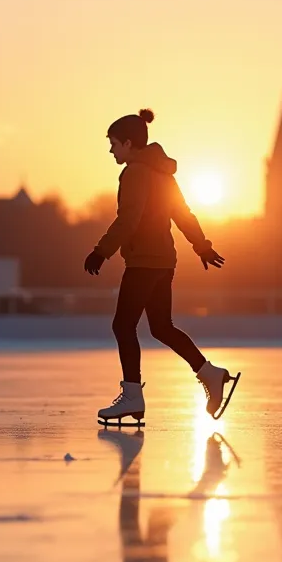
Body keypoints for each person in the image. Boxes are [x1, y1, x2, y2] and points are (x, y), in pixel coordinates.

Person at [84, 108, 239, 425]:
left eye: (114, 143)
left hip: (143, 262)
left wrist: (102, 251)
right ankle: (210, 374)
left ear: (129, 143)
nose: (112, 150)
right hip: (164, 262)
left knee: (123, 326)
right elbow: (183, 214)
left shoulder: (136, 172)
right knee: (161, 327)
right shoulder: (163, 173)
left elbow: (129, 219)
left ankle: (132, 396)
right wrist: (201, 246)